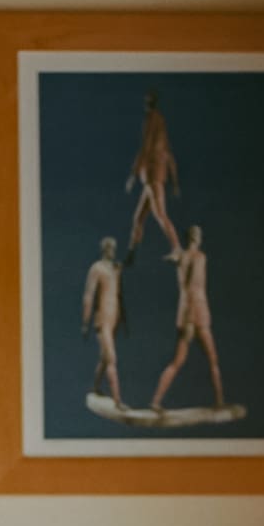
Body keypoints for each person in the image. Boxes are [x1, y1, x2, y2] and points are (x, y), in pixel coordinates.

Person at [151, 224, 227, 412]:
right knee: (212, 359)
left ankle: (155, 401)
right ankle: (219, 401)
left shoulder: (181, 257)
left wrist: (176, 259)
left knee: (177, 362)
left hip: (184, 312)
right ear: (197, 238)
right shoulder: (200, 257)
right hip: (198, 311)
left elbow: (180, 269)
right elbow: (195, 285)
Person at [125, 91, 182, 263]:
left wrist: (133, 175)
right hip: (153, 177)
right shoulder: (161, 126)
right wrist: (174, 182)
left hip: (152, 176)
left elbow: (146, 147)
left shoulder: (152, 119)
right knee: (138, 217)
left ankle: (177, 247)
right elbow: (169, 156)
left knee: (159, 214)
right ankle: (131, 252)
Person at [81, 236, 126, 406]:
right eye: (110, 247)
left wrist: (123, 319)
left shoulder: (115, 268)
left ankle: (95, 387)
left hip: (113, 318)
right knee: (111, 358)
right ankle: (117, 400)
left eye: (114, 247)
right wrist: (85, 322)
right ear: (104, 248)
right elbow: (88, 296)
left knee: (104, 358)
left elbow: (119, 296)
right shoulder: (97, 268)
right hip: (103, 320)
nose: (113, 250)